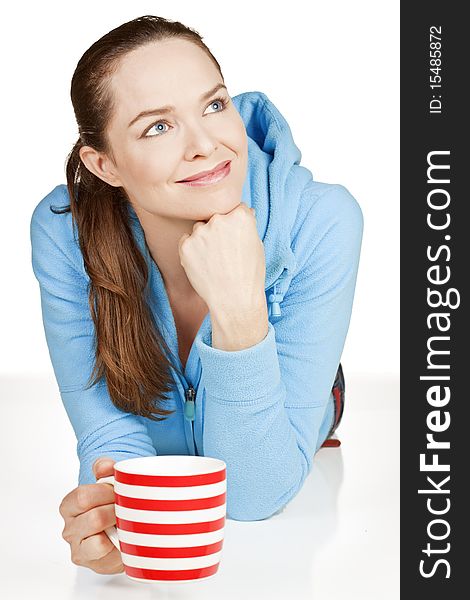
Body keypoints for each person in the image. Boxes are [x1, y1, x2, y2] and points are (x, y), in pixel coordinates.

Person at [30, 15, 363, 575]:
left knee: (290, 426)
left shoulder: (322, 219)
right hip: (164, 394)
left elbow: (255, 496)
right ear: (104, 164)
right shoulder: (63, 229)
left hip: (288, 383)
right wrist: (120, 518)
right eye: (157, 127)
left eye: (213, 105)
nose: (207, 145)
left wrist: (239, 315)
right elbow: (109, 431)